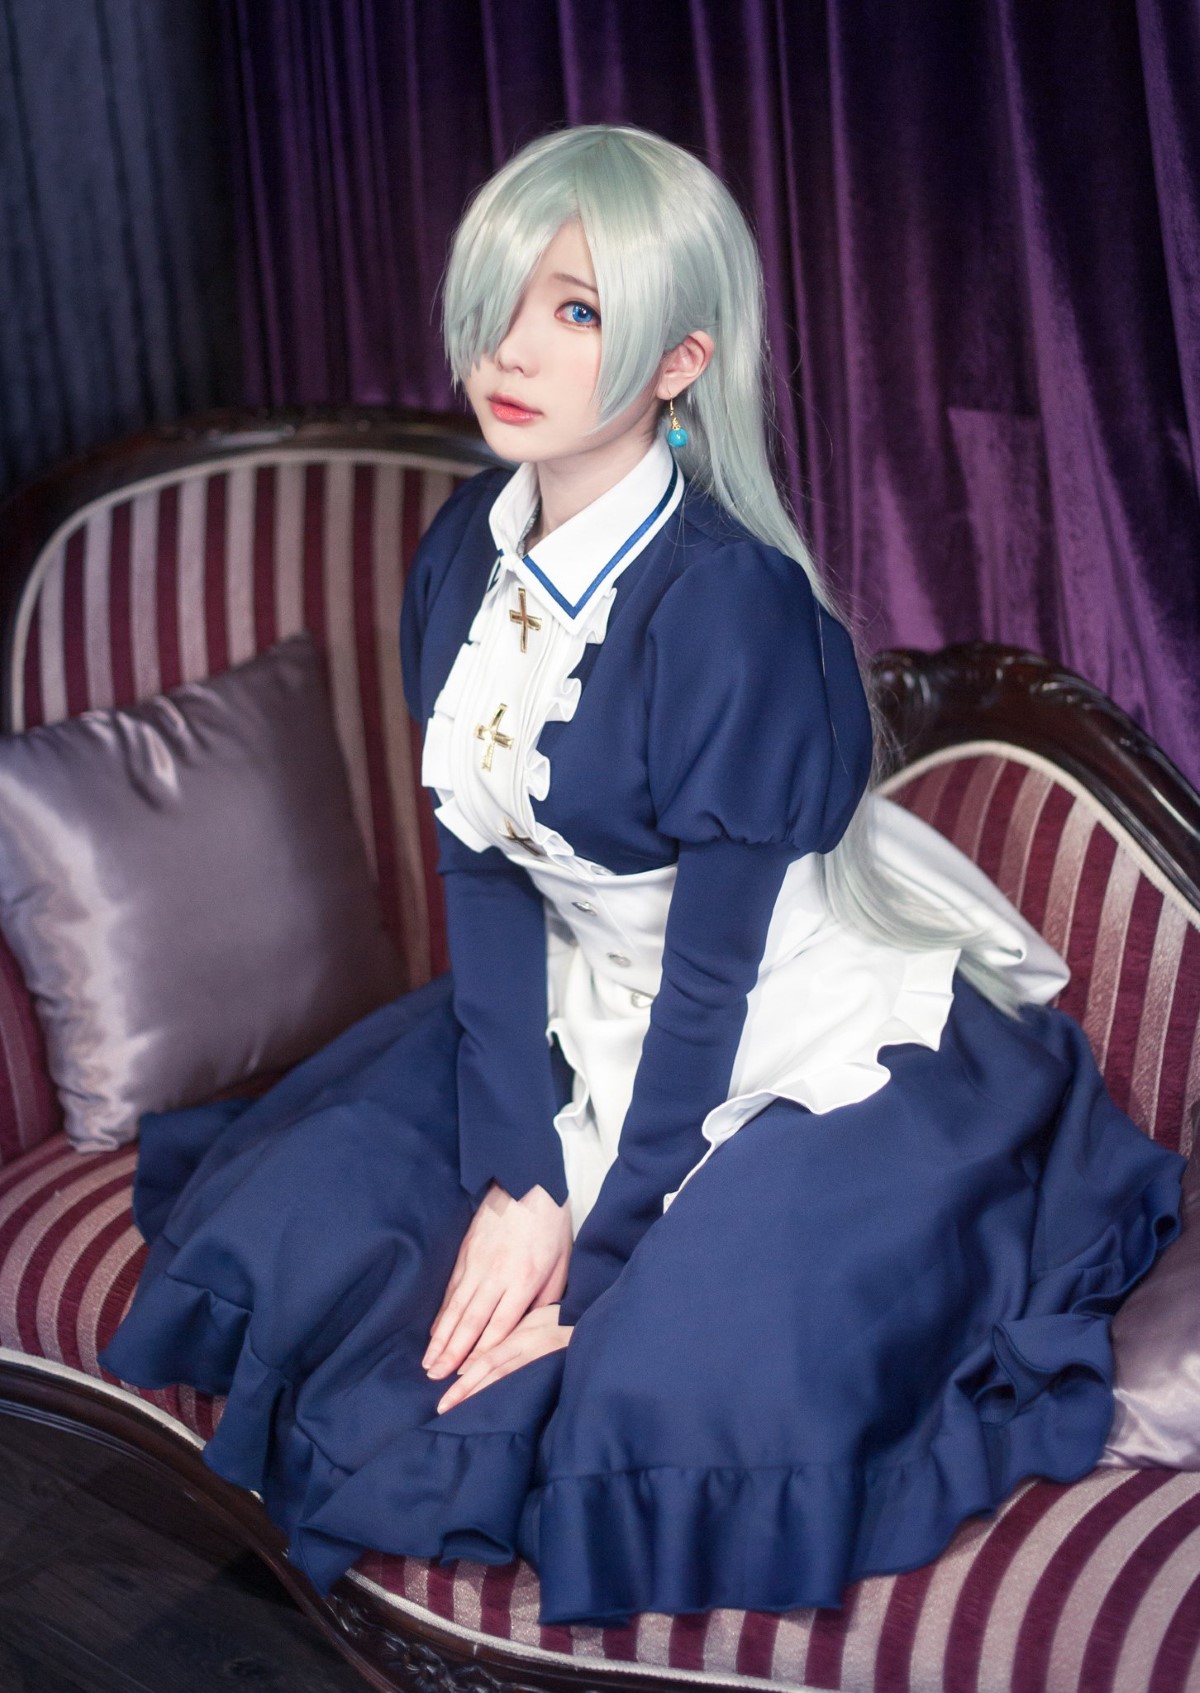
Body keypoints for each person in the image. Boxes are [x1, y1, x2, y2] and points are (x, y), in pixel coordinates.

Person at [98, 123, 1184, 1627]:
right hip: (578, 992)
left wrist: (591, 1252)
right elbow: (486, 881)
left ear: (681, 361)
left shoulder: (729, 607)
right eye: (502, 296)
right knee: (317, 1213)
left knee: (662, 1376)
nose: (510, 346)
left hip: (779, 1027)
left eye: (577, 309)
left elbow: (713, 984)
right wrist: (522, 1175)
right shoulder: (464, 553)